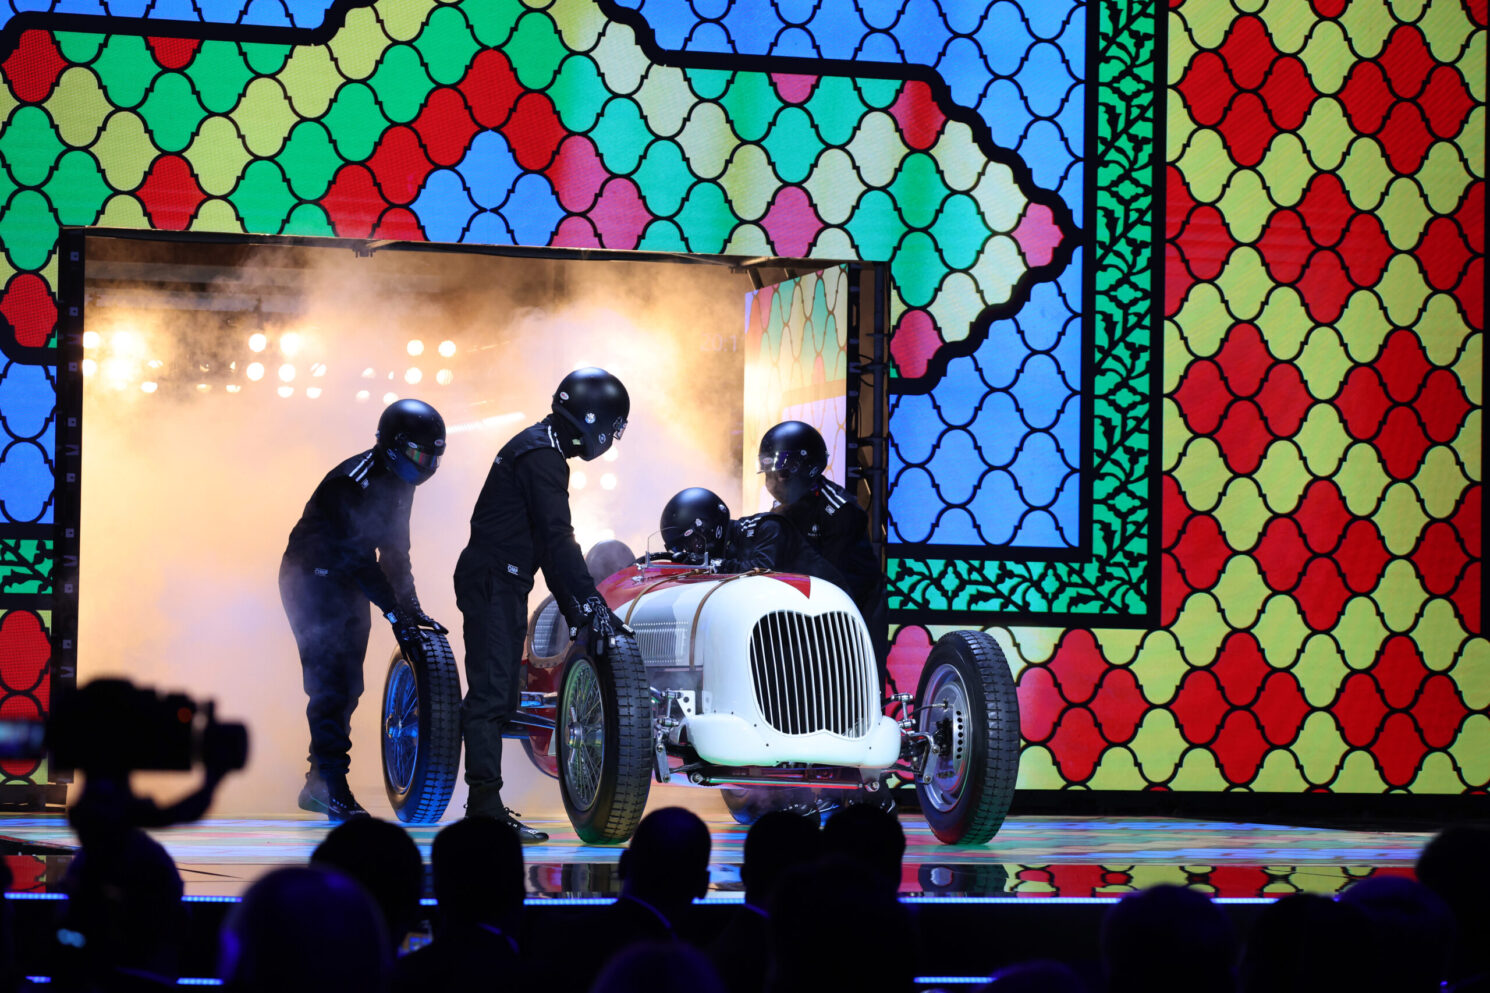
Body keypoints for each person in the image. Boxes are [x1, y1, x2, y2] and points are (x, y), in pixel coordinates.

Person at [455, 367, 631, 840]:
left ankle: (484, 802)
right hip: (494, 581)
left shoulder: (543, 447)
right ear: (592, 418)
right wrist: (590, 608)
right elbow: (557, 542)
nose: (611, 437)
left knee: (500, 695)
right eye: (612, 426)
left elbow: (550, 548)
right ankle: (484, 809)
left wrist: (582, 610)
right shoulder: (542, 455)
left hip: (502, 581)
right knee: (491, 696)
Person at [280, 399, 446, 821]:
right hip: (311, 579)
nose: (425, 463)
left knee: (350, 685)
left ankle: (318, 781)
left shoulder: (401, 484)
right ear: (393, 446)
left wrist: (412, 610)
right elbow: (358, 558)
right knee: (329, 684)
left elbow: (395, 553)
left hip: (350, 580)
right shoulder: (350, 483)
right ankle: (333, 786)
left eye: (432, 456)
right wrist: (394, 615)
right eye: (419, 454)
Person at [756, 421, 889, 686]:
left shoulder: (841, 511)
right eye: (769, 474)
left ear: (808, 468)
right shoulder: (783, 509)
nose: (773, 483)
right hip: (811, 614)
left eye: (780, 474)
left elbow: (829, 579)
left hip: (854, 614)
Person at [655, 486, 847, 589]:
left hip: (832, 615)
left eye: (691, 542)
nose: (690, 552)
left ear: (710, 528)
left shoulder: (767, 527)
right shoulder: (728, 550)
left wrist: (714, 566)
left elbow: (762, 572)